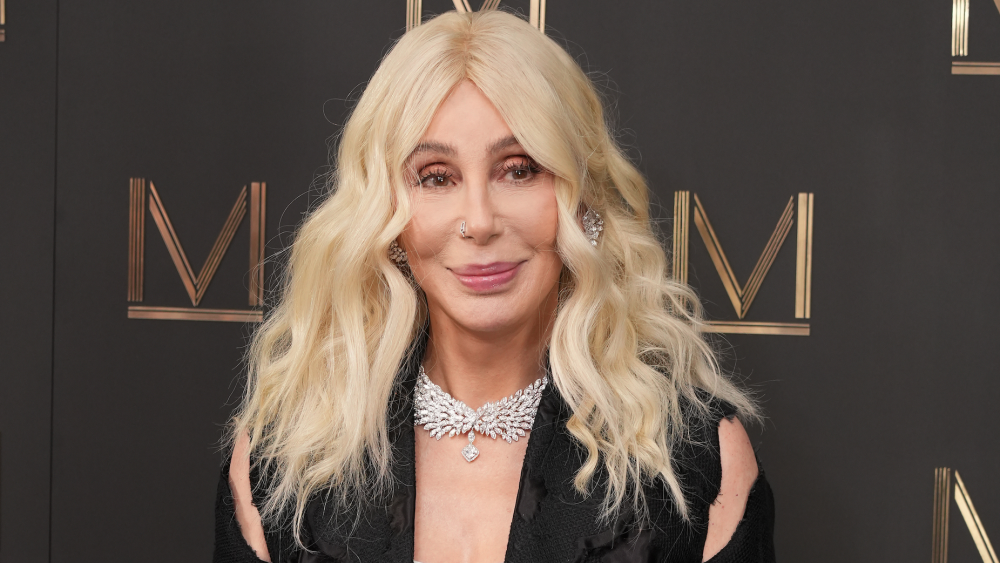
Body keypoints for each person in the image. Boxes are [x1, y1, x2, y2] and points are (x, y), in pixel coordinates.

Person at [214, 8, 774, 563]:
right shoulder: (286, 466)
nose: (479, 221)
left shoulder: (695, 466)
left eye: (519, 169)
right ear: (386, 216)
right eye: (437, 177)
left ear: (580, 198)